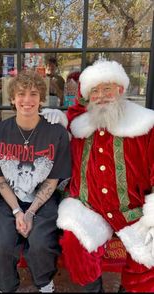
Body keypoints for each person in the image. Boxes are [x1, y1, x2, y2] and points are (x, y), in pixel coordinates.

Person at [43, 59, 154, 292]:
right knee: (75, 245)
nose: (101, 96)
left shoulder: (145, 124)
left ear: (120, 90)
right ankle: (94, 289)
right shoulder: (79, 125)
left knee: (147, 259)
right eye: (95, 91)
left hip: (133, 209)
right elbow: (58, 138)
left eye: (107, 89)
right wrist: (55, 121)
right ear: (87, 96)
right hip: (89, 206)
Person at [0, 70, 71, 293]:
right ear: (12, 99)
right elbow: (0, 178)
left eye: (34, 93)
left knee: (41, 243)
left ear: (41, 98)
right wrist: (16, 212)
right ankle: (6, 286)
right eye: (21, 94)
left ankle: (44, 282)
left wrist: (30, 213)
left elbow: (53, 180)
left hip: (43, 199)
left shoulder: (56, 133)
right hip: (9, 199)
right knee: (2, 244)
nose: (27, 100)